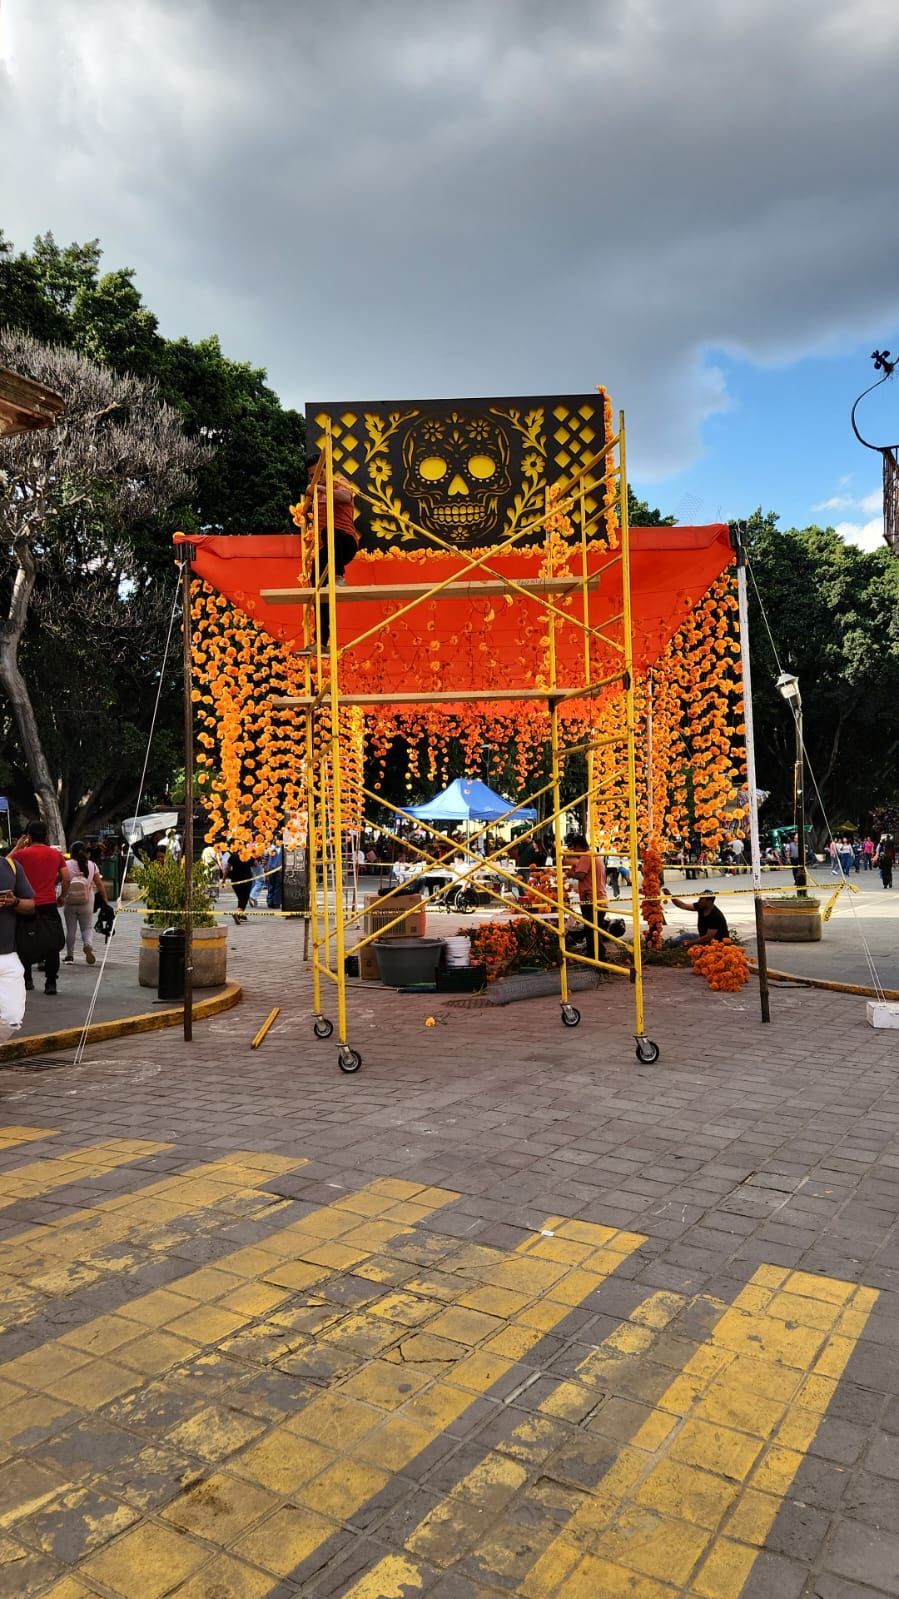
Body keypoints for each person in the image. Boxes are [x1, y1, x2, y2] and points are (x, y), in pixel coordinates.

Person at [303, 452, 360, 648]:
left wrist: (319, 487)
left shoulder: (338, 481)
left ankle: (339, 576)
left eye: (318, 474)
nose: (315, 478)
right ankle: (321, 641)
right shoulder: (316, 495)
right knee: (318, 589)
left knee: (330, 532)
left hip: (345, 543)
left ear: (328, 471)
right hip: (327, 551)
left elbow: (345, 497)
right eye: (311, 476)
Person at [10, 821, 67, 994]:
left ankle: (27, 980)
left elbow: (4, 865)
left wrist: (18, 846)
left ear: (29, 836)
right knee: (52, 943)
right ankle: (51, 983)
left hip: (26, 905)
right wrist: (62, 895)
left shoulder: (21, 855)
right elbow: (66, 877)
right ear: (45, 835)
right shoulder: (55, 855)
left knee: (23, 942)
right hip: (49, 904)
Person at [0, 851, 35, 1042]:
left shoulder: (11, 867)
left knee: (12, 1018)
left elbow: (30, 905)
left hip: (7, 956)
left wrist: (14, 902)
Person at [63, 840, 108, 965]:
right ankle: (87, 944)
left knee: (71, 929)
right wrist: (105, 899)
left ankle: (69, 956)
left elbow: (60, 880)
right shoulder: (92, 865)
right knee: (86, 927)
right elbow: (99, 884)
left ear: (71, 852)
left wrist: (60, 896)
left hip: (70, 900)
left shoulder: (66, 864)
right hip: (87, 901)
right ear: (85, 852)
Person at [227, 847, 253, 923]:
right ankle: (238, 912)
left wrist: (224, 879)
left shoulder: (233, 856)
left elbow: (227, 868)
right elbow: (255, 864)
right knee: (243, 899)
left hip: (235, 880)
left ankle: (241, 915)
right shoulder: (249, 855)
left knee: (241, 898)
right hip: (246, 879)